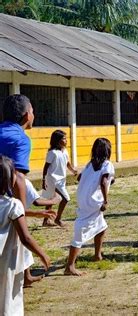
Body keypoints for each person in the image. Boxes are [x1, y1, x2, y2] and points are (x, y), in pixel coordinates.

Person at [0, 94, 51, 286]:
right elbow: (18, 177)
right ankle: (24, 276)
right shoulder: (21, 139)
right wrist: (21, 209)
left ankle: (27, 275)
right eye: (32, 111)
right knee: (19, 235)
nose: (34, 115)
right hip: (6, 198)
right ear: (26, 116)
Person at [0, 155, 50, 315]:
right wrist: (42, 255)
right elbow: (25, 238)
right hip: (6, 260)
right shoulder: (13, 205)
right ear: (9, 179)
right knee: (9, 297)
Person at [64, 138, 114, 276]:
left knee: (102, 227)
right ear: (108, 151)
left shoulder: (89, 164)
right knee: (80, 230)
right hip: (94, 202)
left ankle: (97, 255)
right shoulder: (107, 164)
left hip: (83, 199)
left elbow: (81, 178)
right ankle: (70, 266)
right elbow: (104, 182)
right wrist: (105, 201)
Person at [23, 179, 59, 287]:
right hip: (12, 223)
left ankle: (26, 277)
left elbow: (17, 210)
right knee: (22, 244)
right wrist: (54, 201)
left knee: (22, 248)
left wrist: (38, 213)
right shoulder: (22, 180)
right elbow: (36, 201)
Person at [41, 129, 78, 227]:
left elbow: (67, 163)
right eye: (64, 139)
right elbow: (46, 167)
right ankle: (58, 219)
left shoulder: (64, 151)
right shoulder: (52, 153)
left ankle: (46, 221)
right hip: (52, 180)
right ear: (57, 140)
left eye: (66, 138)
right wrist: (44, 180)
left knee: (50, 200)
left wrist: (73, 170)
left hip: (61, 180)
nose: (66, 141)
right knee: (65, 198)